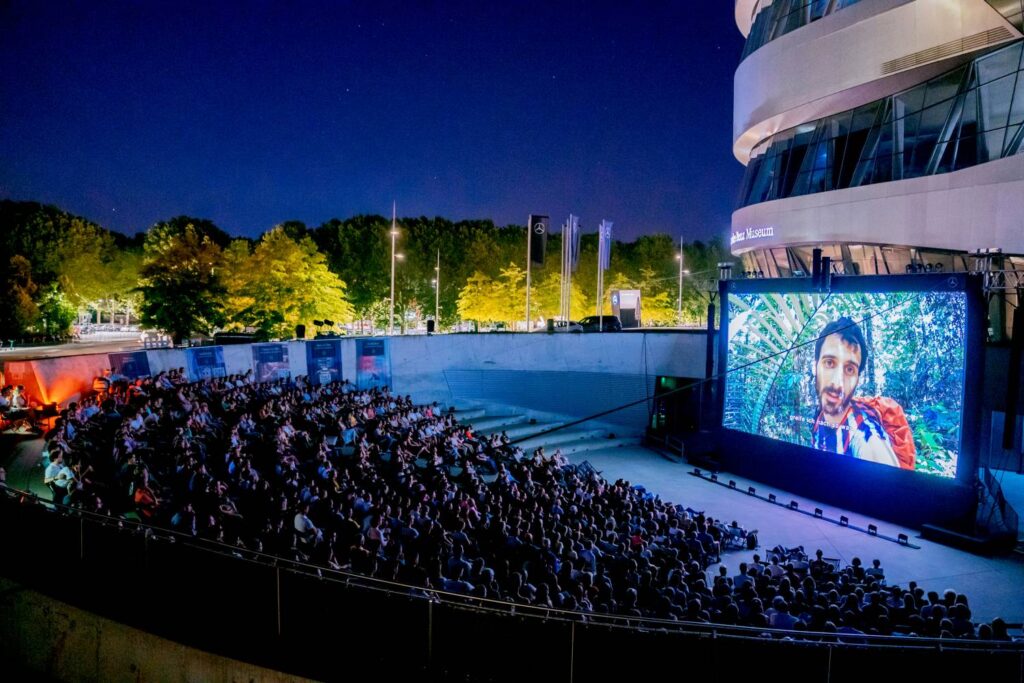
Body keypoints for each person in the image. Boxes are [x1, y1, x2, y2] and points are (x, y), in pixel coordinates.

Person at [809, 318, 910, 468]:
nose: (837, 384)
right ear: (814, 366)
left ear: (858, 379)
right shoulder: (819, 417)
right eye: (829, 363)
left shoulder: (865, 433)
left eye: (850, 369)